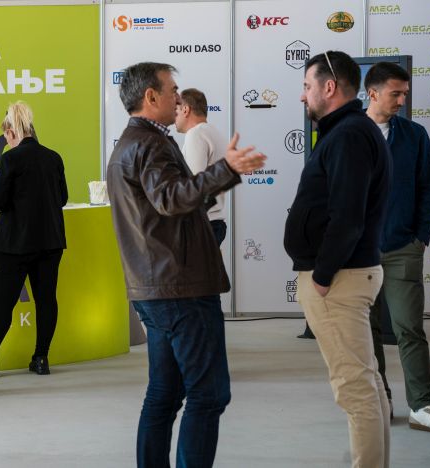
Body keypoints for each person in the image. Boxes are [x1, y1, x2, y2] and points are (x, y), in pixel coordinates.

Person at [107, 62, 265, 468]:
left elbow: (169, 202)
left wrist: (221, 176)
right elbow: (171, 199)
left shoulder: (133, 143)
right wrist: (225, 169)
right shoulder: (151, 144)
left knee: (163, 394)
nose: (179, 98)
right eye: (172, 90)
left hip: (157, 287)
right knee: (208, 395)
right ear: (151, 96)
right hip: (179, 287)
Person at [284, 51, 392, 467]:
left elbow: (347, 216)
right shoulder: (348, 131)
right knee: (366, 383)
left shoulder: (348, 135)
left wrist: (323, 275)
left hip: (339, 280)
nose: (302, 96)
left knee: (355, 388)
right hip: (345, 275)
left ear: (329, 87)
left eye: (307, 86)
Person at [364, 61, 430, 435]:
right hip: (356, 255)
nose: (402, 100)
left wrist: (420, 236)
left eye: (405, 94)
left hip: (402, 249)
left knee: (409, 328)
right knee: (366, 333)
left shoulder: (415, 135)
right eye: (396, 93)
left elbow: (428, 187)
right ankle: (380, 400)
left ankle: (422, 406)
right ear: (372, 93)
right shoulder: (347, 134)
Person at [0, 101, 68, 378]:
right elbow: (62, 198)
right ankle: (41, 359)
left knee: (3, 304)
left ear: (10, 132)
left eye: (6, 135)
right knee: (46, 301)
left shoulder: (10, 159)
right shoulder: (53, 158)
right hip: (50, 242)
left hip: (15, 244)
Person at [174, 88, 229, 245]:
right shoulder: (214, 132)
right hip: (212, 223)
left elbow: (193, 188)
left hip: (200, 225)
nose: (173, 117)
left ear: (186, 110)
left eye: (176, 111)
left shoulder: (196, 134)